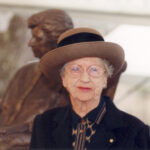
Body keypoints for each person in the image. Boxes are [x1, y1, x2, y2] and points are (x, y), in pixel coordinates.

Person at [30, 27, 150, 150]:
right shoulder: (44, 124)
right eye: (75, 69)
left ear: (105, 79)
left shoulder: (136, 132)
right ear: (63, 78)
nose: (85, 79)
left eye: (94, 69)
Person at [0, 9, 73, 150]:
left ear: (57, 42)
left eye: (38, 38)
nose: (30, 43)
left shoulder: (70, 82)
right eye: (31, 37)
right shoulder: (24, 72)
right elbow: (4, 109)